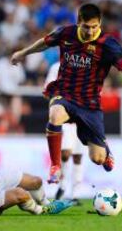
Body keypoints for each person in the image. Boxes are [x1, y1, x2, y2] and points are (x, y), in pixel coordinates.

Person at [11, 3, 122, 184]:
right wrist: (23, 53)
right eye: (86, 27)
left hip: (89, 103)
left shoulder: (108, 44)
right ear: (79, 22)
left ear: (100, 23)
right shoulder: (66, 33)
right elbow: (45, 42)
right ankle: (55, 167)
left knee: (97, 158)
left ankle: (104, 149)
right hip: (64, 92)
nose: (90, 31)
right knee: (55, 115)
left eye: (94, 27)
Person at [45, 62, 84, 204]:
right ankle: (62, 187)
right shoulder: (56, 67)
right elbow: (48, 90)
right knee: (66, 153)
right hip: (66, 117)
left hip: (82, 118)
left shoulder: (87, 63)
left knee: (78, 156)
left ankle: (75, 194)